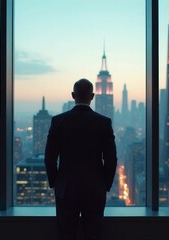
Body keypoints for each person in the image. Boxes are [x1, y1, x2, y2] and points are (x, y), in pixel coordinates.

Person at [45, 78, 117, 240]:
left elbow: (50, 158)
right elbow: (111, 159)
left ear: (73, 95)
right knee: (93, 235)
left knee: (66, 235)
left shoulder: (58, 121)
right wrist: (105, 184)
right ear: (92, 96)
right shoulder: (104, 123)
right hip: (95, 189)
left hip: (66, 190)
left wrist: (56, 183)